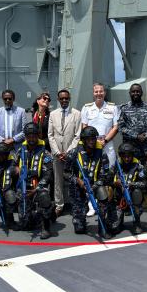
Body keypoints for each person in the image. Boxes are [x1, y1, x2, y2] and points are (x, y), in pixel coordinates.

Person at [64, 126, 114, 238]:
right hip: (79, 186)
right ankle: (81, 216)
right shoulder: (74, 153)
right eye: (88, 139)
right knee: (80, 229)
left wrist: (96, 185)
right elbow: (66, 173)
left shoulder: (101, 153)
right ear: (83, 140)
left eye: (93, 138)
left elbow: (106, 174)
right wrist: (78, 181)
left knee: (103, 195)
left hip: (96, 185)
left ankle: (103, 227)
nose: (91, 141)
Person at [16, 123, 54, 239]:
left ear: (38, 136)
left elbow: (47, 175)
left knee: (44, 196)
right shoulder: (20, 150)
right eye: (29, 136)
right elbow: (12, 164)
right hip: (24, 187)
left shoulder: (45, 153)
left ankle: (46, 226)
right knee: (26, 225)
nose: (31, 139)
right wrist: (16, 169)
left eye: (33, 136)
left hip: (39, 186)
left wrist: (35, 190)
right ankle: (37, 216)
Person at [47, 88, 81, 217]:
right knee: (58, 180)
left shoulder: (76, 114)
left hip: (71, 153)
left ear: (69, 99)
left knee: (73, 180)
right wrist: (56, 152)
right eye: (62, 98)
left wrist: (68, 152)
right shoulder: (53, 114)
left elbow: (77, 135)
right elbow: (50, 135)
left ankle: (75, 204)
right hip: (57, 154)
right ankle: (59, 205)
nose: (64, 100)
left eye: (66, 98)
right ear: (58, 100)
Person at [81, 82, 120, 166]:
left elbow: (115, 127)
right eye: (96, 92)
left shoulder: (113, 107)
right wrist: (95, 141)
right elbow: (84, 127)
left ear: (104, 93)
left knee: (110, 169)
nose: (99, 94)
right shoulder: (86, 108)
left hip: (107, 144)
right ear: (93, 93)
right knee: (92, 169)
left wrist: (105, 141)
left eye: (101, 91)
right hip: (92, 145)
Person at [112, 142, 147, 234]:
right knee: (114, 228)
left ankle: (136, 221)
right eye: (124, 156)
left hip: (132, 196)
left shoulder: (138, 165)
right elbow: (106, 179)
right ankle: (118, 220)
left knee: (137, 192)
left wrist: (133, 184)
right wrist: (115, 183)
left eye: (129, 156)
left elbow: (145, 183)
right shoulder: (116, 165)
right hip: (119, 196)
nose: (127, 158)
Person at [117, 83, 147, 162]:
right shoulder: (124, 108)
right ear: (130, 93)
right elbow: (121, 127)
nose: (135, 93)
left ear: (142, 93)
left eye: (138, 91)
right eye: (133, 91)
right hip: (129, 150)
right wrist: (136, 135)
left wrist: (145, 135)